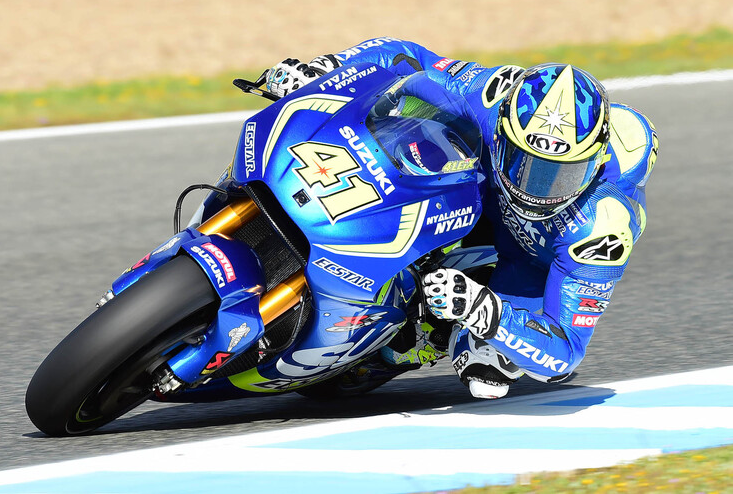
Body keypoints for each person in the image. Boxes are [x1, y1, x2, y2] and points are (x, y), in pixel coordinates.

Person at [263, 37, 658, 399]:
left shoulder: (602, 230)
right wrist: (327, 70)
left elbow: (565, 353)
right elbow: (404, 57)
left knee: (486, 368)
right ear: (503, 129)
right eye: (524, 162)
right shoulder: (492, 94)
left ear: (596, 161)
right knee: (415, 118)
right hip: (475, 190)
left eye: (561, 174)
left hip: (528, 265)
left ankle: (402, 347)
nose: (536, 187)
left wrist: (480, 309)